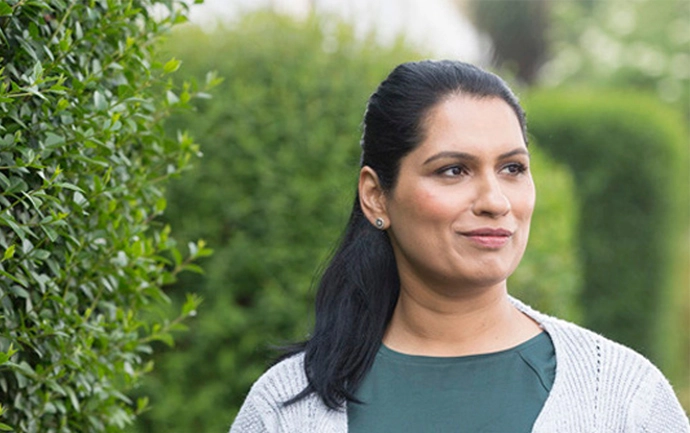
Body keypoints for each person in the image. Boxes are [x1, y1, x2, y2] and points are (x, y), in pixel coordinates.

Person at [229, 60, 690, 432]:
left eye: (512, 168)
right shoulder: (288, 408)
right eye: (453, 170)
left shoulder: (623, 398)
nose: (495, 201)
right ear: (376, 196)